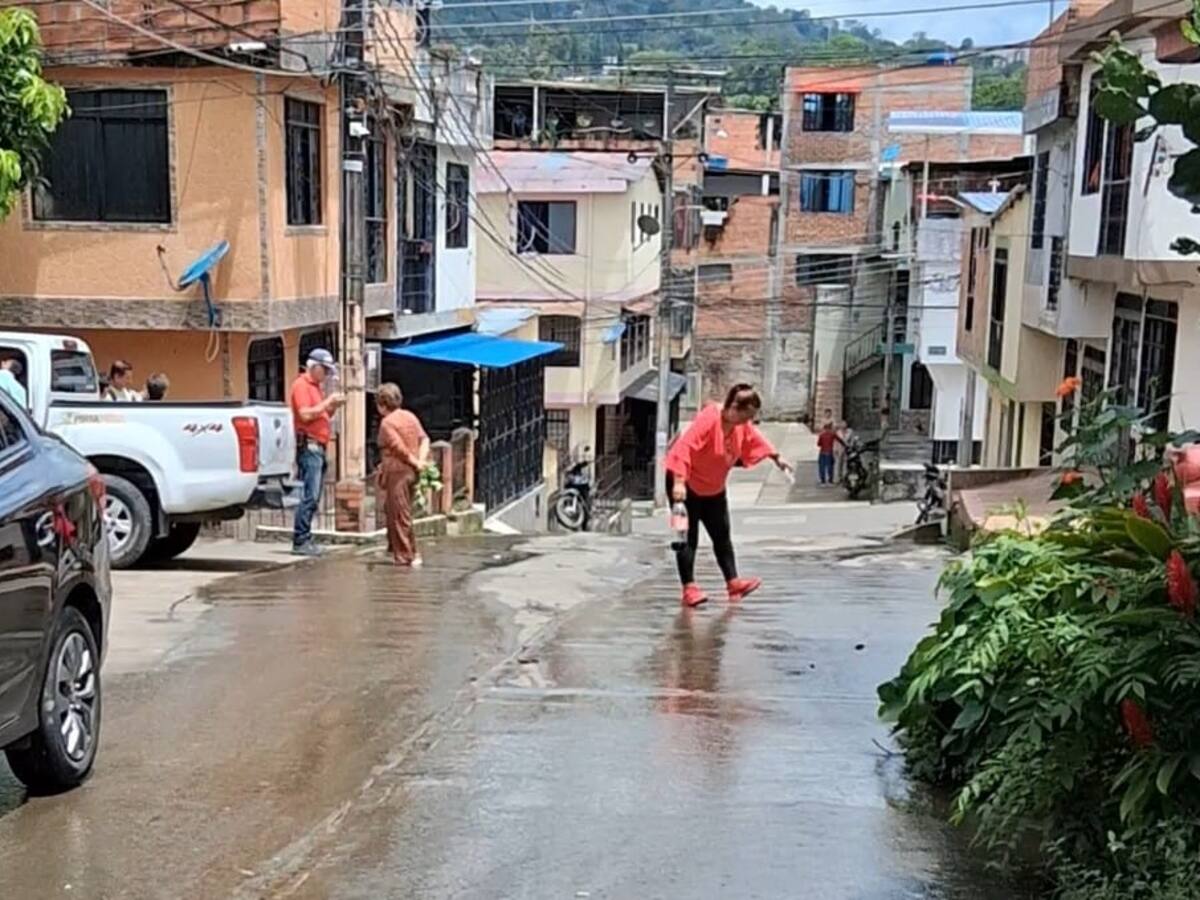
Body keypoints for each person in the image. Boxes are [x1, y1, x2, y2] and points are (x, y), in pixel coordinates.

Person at [665, 383, 793, 608]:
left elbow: (755, 438)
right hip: (686, 484)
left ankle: (733, 582)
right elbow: (684, 447)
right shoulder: (710, 418)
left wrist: (776, 457)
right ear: (734, 407)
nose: (748, 421)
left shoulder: (741, 426)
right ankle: (689, 588)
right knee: (688, 537)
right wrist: (678, 482)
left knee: (722, 535)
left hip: (713, 487)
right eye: (747, 415)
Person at [289, 349, 344, 556]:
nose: (327, 375)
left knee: (314, 494)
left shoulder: (315, 387)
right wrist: (327, 403)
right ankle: (301, 539)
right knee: (309, 495)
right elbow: (305, 414)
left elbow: (320, 414)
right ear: (314, 367)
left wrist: (332, 407)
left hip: (319, 445)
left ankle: (306, 537)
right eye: (325, 370)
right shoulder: (301, 386)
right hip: (309, 445)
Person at [375, 383, 431, 567]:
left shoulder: (387, 423)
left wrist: (415, 461)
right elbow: (424, 439)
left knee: (400, 514)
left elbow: (398, 448)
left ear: (382, 404)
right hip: (411, 472)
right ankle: (395, 548)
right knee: (393, 510)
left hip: (397, 472)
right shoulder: (410, 416)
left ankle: (407, 555)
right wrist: (421, 461)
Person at [817, 420, 838, 486]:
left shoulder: (821, 435)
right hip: (829, 452)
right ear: (830, 428)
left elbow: (818, 444)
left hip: (822, 452)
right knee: (830, 467)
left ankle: (823, 481)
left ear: (824, 428)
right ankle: (830, 481)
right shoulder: (832, 434)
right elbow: (839, 440)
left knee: (822, 467)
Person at [834, 420, 853, 484]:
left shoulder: (850, 431)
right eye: (842, 424)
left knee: (847, 463)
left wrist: (851, 446)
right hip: (840, 449)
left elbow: (851, 440)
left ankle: (847, 477)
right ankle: (840, 477)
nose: (843, 426)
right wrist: (835, 449)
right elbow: (836, 442)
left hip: (847, 449)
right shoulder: (838, 432)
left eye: (845, 424)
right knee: (839, 464)